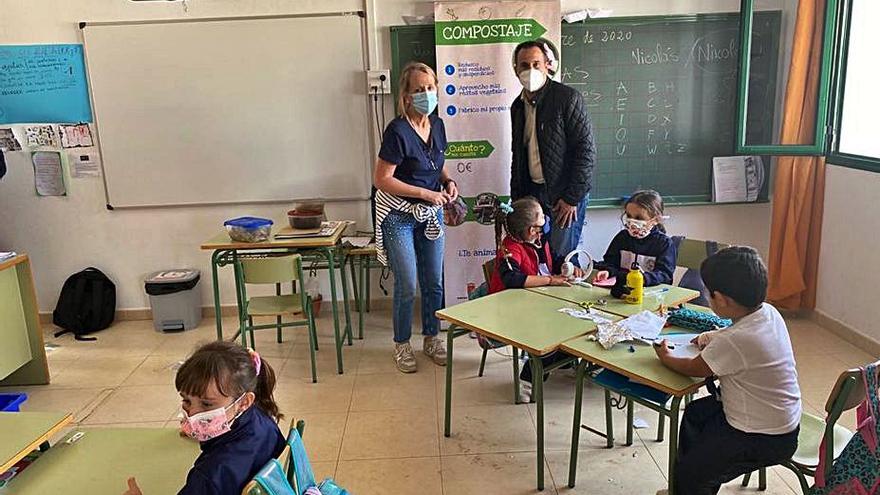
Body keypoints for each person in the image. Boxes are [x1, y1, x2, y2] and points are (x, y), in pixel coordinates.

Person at [653, 247, 801, 495]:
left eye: (709, 295)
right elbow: (735, 338)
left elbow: (695, 368)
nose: (708, 300)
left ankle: (693, 482)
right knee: (694, 414)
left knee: (691, 472)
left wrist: (665, 356)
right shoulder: (768, 313)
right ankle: (698, 479)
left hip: (760, 436)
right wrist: (710, 336)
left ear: (722, 299)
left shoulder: (735, 340)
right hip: (780, 421)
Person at [374, 62, 458, 374]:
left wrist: (448, 181)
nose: (426, 94)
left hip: (430, 213)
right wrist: (425, 194)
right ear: (406, 96)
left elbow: (437, 161)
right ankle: (401, 344)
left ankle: (432, 337)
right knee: (408, 283)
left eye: (430, 88)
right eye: (419, 89)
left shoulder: (437, 125)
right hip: (398, 215)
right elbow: (382, 179)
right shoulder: (397, 131)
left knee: (433, 281)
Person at [122, 342, 286, 495]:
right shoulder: (260, 416)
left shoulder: (209, 476)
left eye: (206, 405)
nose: (192, 414)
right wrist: (201, 427)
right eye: (187, 401)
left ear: (243, 402)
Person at [510, 39, 596, 266]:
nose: (530, 70)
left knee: (562, 261)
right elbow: (517, 156)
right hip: (533, 195)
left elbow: (585, 151)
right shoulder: (517, 107)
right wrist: (517, 201)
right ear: (515, 69)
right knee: (536, 260)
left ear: (547, 65)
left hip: (564, 197)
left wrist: (571, 198)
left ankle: (567, 303)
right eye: (524, 65)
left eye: (536, 64)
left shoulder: (567, 98)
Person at [487, 196, 583, 400]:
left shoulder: (540, 240)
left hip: (536, 302)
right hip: (510, 309)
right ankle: (530, 374)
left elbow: (554, 260)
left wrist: (569, 268)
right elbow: (512, 278)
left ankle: (560, 360)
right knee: (551, 328)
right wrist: (549, 280)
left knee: (575, 323)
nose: (546, 220)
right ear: (531, 229)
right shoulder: (510, 247)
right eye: (542, 218)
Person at [594, 190, 676, 298]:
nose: (632, 222)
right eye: (629, 216)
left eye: (638, 218)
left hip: (650, 296)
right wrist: (608, 271)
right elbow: (611, 262)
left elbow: (664, 275)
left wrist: (640, 279)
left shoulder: (664, 244)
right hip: (621, 294)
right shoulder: (622, 237)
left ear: (655, 220)